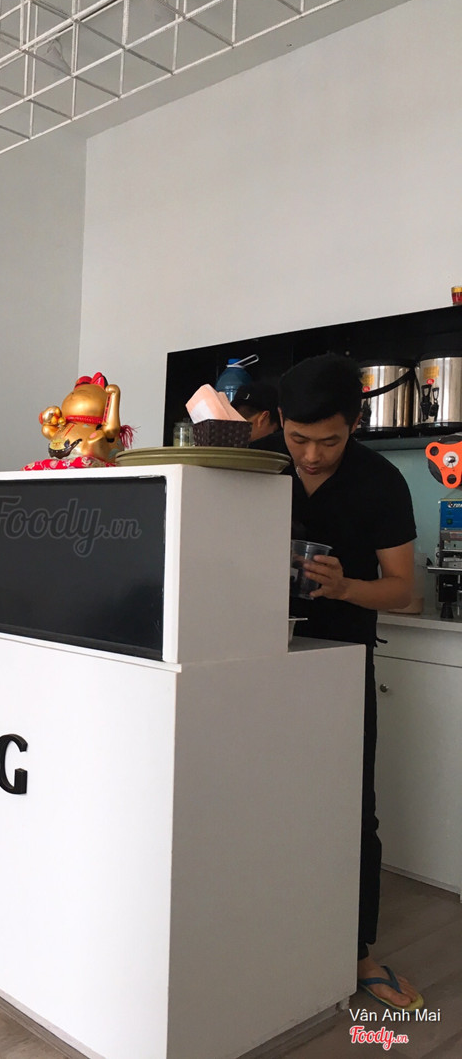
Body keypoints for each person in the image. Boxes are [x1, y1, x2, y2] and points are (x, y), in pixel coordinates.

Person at [260, 353, 423, 1012]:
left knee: (352, 807)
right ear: (279, 422)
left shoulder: (380, 481)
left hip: (342, 660)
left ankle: (356, 953)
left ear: (354, 424)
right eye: (298, 438)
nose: (311, 455)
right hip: (255, 656)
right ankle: (266, 927)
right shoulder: (260, 465)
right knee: (260, 799)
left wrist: (347, 586)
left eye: (328, 441)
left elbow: (405, 592)